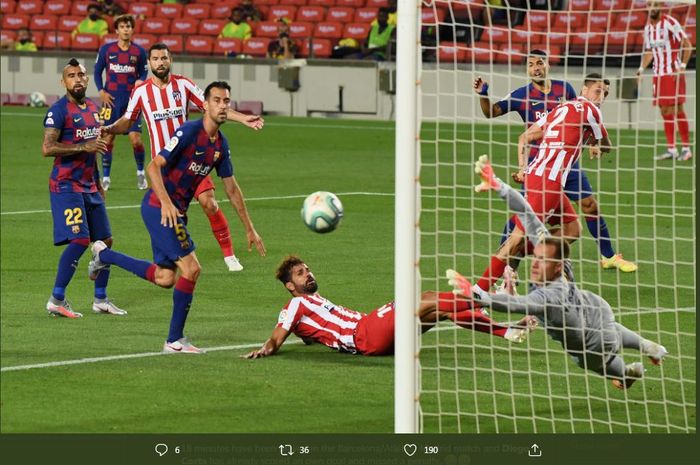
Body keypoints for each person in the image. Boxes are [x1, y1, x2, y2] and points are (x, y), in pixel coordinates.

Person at [448, 156, 668, 390]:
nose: (534, 262)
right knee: (608, 328)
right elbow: (526, 212)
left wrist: (479, 295)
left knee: (594, 360)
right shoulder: (552, 250)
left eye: (540, 260)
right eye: (537, 255)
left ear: (555, 268)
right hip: (594, 306)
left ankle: (624, 373)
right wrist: (498, 185)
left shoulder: (548, 296)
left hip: (586, 338)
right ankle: (647, 346)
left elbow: (514, 305)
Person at [89, 81, 266, 352]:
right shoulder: (188, 131)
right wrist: (166, 203)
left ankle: (103, 255)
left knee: (165, 278)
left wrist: (250, 228)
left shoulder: (220, 145)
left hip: (176, 214)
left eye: (226, 101)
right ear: (204, 105)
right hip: (157, 208)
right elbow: (153, 166)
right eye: (216, 100)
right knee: (192, 268)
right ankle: (174, 340)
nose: (222, 106)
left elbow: (231, 188)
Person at [102, 43, 264, 272]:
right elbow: (128, 122)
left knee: (209, 202)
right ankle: (165, 263)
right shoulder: (140, 92)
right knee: (168, 224)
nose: (160, 62)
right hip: (164, 168)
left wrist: (243, 118)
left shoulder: (184, 85)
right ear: (149, 63)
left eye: (164, 58)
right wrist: (110, 128)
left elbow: (213, 106)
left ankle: (229, 255)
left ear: (170, 60)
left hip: (193, 160)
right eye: (156, 58)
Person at [474, 50, 637, 273]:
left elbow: (584, 118)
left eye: (539, 63)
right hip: (538, 167)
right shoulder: (522, 95)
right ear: (527, 70)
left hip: (567, 164)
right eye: (530, 65)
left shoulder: (565, 89)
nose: (536, 68)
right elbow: (491, 112)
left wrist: (592, 142)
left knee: (590, 205)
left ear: (547, 65)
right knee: (521, 220)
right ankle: (508, 269)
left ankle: (608, 256)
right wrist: (483, 95)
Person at [474, 74, 613, 297]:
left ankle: (537, 254)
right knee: (518, 235)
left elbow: (528, 135)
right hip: (548, 178)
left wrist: (523, 167)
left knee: (573, 229)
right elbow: (605, 145)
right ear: (584, 91)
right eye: (598, 91)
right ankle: (480, 289)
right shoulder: (592, 111)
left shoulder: (562, 108)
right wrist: (598, 144)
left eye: (605, 93)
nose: (601, 96)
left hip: (543, 176)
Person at [243, 256, 537, 359]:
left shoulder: (311, 305)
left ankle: (507, 332)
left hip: (373, 333)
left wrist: (312, 338)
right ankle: (483, 295)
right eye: (300, 274)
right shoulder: (295, 304)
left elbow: (309, 334)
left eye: (308, 270)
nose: (309, 274)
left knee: (439, 310)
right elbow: (277, 337)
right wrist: (266, 349)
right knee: (423, 298)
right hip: (365, 333)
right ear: (289, 286)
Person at [41, 58, 125, 319]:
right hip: (65, 186)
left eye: (81, 75)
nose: (77, 79)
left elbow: (95, 151)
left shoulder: (92, 107)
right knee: (79, 239)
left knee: (105, 241)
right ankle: (56, 299)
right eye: (71, 75)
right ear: (63, 81)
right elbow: (47, 148)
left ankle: (100, 299)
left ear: (87, 79)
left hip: (89, 185)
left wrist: (99, 185)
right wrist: (81, 147)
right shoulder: (58, 110)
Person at [93, 14, 148, 191]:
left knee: (136, 140)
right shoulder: (106, 50)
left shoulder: (139, 52)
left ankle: (141, 174)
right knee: (107, 139)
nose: (125, 29)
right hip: (110, 102)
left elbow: (144, 73)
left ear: (132, 30)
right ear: (116, 30)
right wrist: (101, 91)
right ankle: (106, 177)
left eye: (128, 26)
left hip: (132, 102)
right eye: (122, 26)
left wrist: (140, 81)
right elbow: (96, 71)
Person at [637, 1, 693, 161]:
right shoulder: (648, 29)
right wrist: (641, 69)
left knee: (676, 109)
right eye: (649, 5)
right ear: (647, 8)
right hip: (658, 75)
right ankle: (672, 149)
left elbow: (687, 45)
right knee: (664, 111)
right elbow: (650, 52)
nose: (652, 8)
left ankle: (686, 149)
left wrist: (682, 66)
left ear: (660, 6)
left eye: (655, 4)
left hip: (672, 72)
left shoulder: (670, 23)